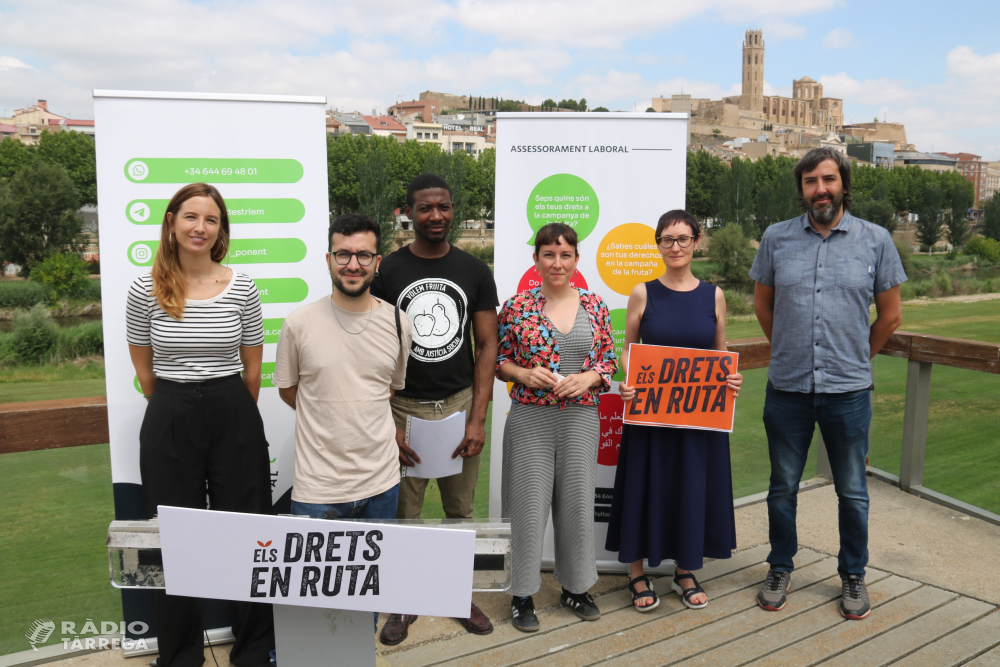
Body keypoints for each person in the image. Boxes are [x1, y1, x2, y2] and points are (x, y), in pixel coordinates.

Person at [750, 147, 905, 620]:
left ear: (843, 184)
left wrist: (856, 358)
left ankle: (853, 575)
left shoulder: (876, 240)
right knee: (782, 488)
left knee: (853, 492)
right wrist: (791, 351)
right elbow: (763, 307)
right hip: (787, 391)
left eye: (829, 179)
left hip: (849, 393)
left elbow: (891, 315)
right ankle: (780, 566)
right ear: (801, 189)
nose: (820, 189)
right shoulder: (776, 239)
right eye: (811, 181)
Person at [126, 183, 274, 667]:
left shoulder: (243, 285)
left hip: (233, 410)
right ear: (171, 222)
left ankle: (253, 650)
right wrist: (181, 408)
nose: (199, 227)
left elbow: (252, 370)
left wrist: (223, 409)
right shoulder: (143, 288)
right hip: (170, 415)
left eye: (210, 220)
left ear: (220, 230)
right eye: (190, 217)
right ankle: (180, 656)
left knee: (247, 534)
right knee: (176, 537)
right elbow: (145, 372)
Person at [371, 173, 500, 645]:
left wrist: (477, 417)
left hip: (458, 404)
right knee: (404, 516)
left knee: (458, 514)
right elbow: (375, 350)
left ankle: (453, 594)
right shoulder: (388, 272)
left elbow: (487, 346)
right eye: (425, 208)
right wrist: (388, 424)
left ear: (452, 208)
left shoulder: (473, 270)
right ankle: (403, 601)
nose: (436, 216)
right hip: (402, 408)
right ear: (409, 212)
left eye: (443, 207)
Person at [606, 210, 743, 613]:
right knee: (642, 484)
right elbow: (628, 350)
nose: (675, 247)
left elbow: (719, 353)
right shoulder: (643, 292)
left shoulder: (714, 295)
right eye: (667, 239)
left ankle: (685, 569)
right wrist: (627, 380)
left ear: (697, 241)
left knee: (691, 487)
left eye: (683, 238)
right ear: (659, 245)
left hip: (698, 417)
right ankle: (636, 571)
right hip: (650, 415)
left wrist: (729, 379)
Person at [496, 222, 618, 632]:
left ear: (577, 260)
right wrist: (524, 374)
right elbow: (500, 362)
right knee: (527, 509)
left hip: (581, 419)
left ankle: (576, 587)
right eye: (549, 254)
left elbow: (608, 360)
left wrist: (590, 378)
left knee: (577, 507)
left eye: (566, 255)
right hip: (531, 419)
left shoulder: (595, 305)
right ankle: (521, 594)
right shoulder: (517, 307)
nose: (557, 263)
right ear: (536, 260)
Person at [274, 212, 410, 522]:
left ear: (377, 262)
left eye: (363, 255)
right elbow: (288, 390)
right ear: (328, 259)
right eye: (343, 254)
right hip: (318, 491)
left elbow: (388, 389)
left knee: (380, 572)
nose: (352, 265)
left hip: (382, 484)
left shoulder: (398, 323)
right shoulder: (299, 324)